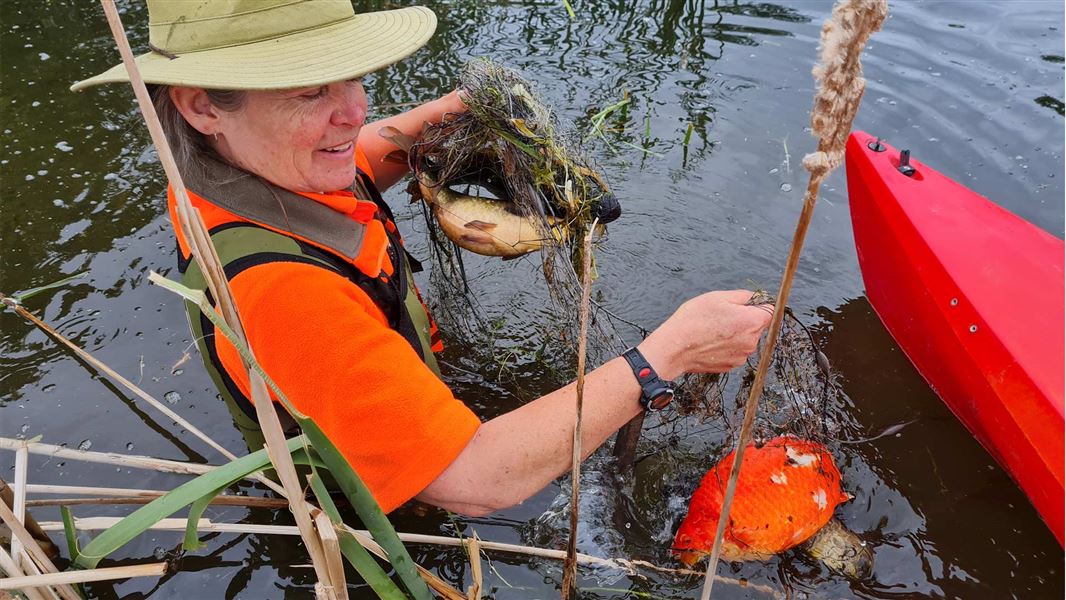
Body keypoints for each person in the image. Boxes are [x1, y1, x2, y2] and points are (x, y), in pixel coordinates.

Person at [73, 0, 772, 517]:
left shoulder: (222, 172)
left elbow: (359, 156)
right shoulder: (286, 296)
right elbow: (475, 480)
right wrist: (666, 356)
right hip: (380, 517)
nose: (354, 111)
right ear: (203, 106)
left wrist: (448, 118)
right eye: (311, 90)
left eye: (353, 77)